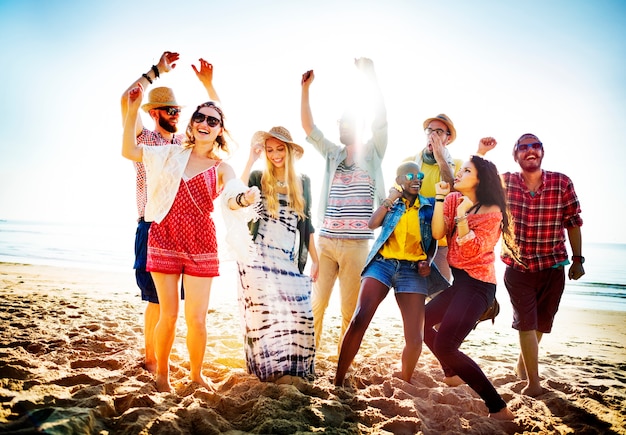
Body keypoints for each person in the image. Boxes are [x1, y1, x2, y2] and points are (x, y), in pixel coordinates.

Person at [122, 82, 259, 392]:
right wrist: (132, 109)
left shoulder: (222, 167)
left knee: (196, 319)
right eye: (200, 117)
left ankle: (196, 375)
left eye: (213, 121)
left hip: (200, 242)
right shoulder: (171, 153)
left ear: (220, 130)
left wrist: (246, 198)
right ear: (192, 123)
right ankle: (162, 375)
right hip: (164, 236)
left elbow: (234, 195)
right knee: (167, 314)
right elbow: (129, 150)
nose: (205, 124)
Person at [120, 52, 220, 373]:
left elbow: (214, 126)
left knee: (167, 304)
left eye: (179, 110)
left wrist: (208, 86)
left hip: (180, 229)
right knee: (155, 301)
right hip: (151, 225)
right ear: (155, 114)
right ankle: (150, 358)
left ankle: (154, 356)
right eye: (170, 110)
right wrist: (157, 71)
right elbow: (126, 100)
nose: (176, 114)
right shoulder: (145, 138)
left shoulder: (181, 144)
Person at [479, 133, 585, 397]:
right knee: (526, 322)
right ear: (516, 155)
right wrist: (482, 152)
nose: (530, 150)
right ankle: (533, 383)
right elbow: (474, 183)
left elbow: (573, 222)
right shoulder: (505, 182)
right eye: (523, 147)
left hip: (553, 267)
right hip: (518, 268)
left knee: (541, 323)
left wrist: (578, 259)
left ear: (542, 152)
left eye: (535, 146)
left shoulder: (562, 182)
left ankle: (521, 363)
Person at [424, 150, 520, 420]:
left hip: (480, 287)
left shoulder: (492, 213)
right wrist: (443, 198)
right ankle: (453, 373)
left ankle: (498, 408)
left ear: (480, 180)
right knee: (420, 321)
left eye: (466, 171)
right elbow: (437, 233)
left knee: (446, 345)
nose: (459, 173)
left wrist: (463, 216)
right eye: (461, 169)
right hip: (461, 284)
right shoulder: (454, 198)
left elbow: (473, 251)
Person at [300, 58, 388, 354]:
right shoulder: (332, 154)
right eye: (339, 123)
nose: (341, 127)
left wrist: (370, 77)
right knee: (317, 304)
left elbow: (381, 120)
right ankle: (308, 361)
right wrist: (305, 90)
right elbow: (310, 128)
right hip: (326, 242)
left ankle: (343, 366)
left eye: (347, 122)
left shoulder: (373, 153)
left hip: (356, 246)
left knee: (349, 310)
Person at [334, 162, 449, 386]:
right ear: (399, 179)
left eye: (419, 175)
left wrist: (429, 261)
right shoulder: (392, 205)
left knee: (416, 337)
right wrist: (390, 199)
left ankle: (403, 380)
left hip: (413, 271)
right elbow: (371, 224)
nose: (416, 179)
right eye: (410, 175)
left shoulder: (429, 207)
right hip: (382, 264)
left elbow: (435, 239)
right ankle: (338, 380)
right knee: (360, 318)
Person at [231, 126, 319, 383]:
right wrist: (250, 158)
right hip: (257, 254)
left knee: (301, 313)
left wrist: (315, 259)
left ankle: (295, 371)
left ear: (290, 151)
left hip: (286, 257)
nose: (275, 154)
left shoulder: (303, 182)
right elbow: (237, 191)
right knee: (263, 318)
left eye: (280, 149)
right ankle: (266, 374)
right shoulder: (259, 176)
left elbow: (307, 223)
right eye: (270, 150)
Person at [405, 114, 463, 282]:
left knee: (439, 296)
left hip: (442, 245)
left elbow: (453, 193)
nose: (433, 135)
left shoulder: (458, 165)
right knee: (410, 295)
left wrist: (440, 158)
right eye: (430, 130)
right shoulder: (409, 163)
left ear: (448, 138)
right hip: (411, 242)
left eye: (439, 131)